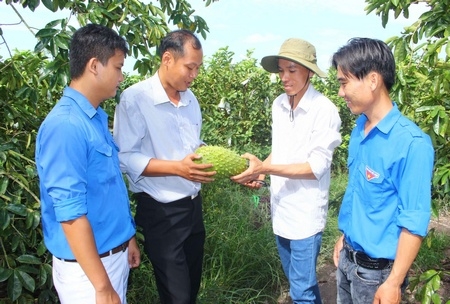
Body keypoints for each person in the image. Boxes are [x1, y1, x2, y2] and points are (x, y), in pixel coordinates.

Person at [35, 24, 140, 304]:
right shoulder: (66, 126)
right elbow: (70, 215)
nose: (121, 76)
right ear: (94, 66)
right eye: (118, 67)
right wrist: (102, 287)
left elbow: (107, 187)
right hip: (89, 274)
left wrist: (127, 237)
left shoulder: (94, 117)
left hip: (109, 259)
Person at [231, 38, 342, 303]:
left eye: (292, 70)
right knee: (299, 282)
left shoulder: (324, 111)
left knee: (301, 290)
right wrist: (260, 171)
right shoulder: (279, 104)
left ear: (309, 72)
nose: (285, 77)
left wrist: (266, 167)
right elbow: (280, 149)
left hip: (305, 214)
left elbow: (316, 167)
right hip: (282, 210)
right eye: (281, 70)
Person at [113, 29, 215, 304]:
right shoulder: (136, 99)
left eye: (198, 68)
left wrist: (209, 156)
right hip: (161, 212)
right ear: (167, 59)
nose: (193, 75)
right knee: (176, 296)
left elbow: (192, 144)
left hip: (193, 207)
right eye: (190, 67)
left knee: (191, 289)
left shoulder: (190, 100)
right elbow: (125, 157)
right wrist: (177, 168)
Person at [331, 37, 435, 304]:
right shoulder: (359, 129)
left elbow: (414, 220)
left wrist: (394, 282)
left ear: (373, 80)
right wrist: (346, 239)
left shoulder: (412, 144)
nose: (341, 92)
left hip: (376, 276)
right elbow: (360, 196)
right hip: (347, 261)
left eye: (344, 82)